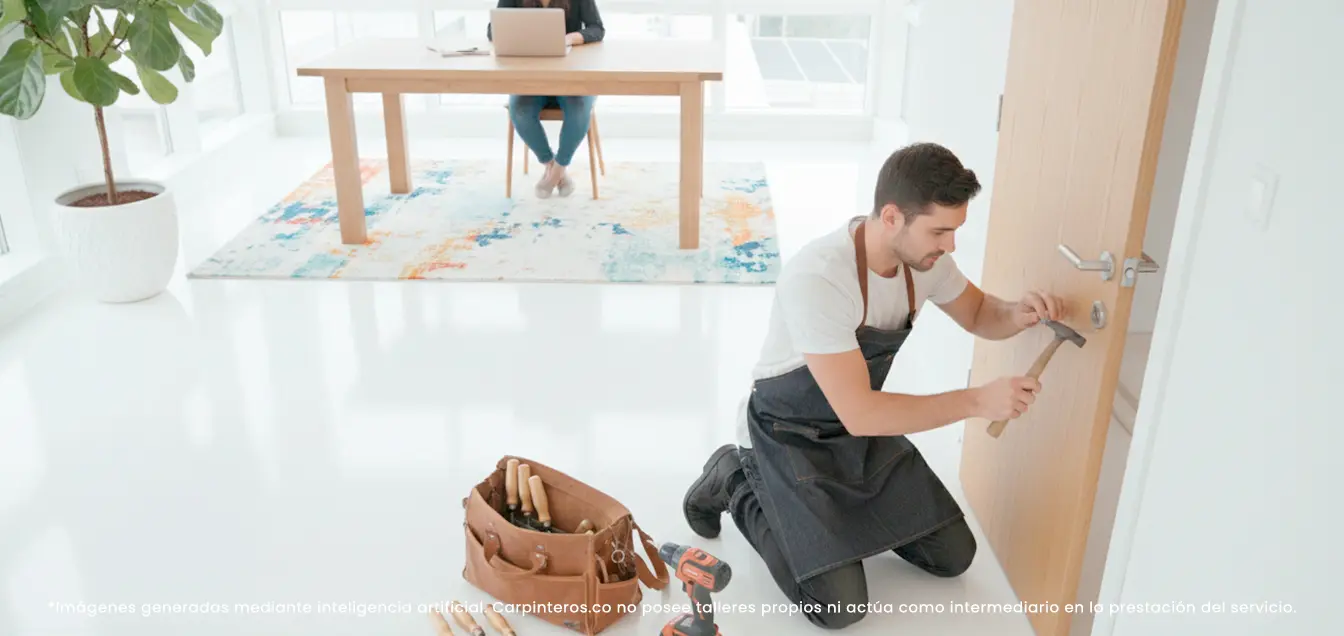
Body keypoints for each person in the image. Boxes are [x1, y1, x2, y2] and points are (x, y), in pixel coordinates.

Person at [680, 142, 1067, 629]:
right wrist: (977, 401)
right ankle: (736, 478)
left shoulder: (925, 263)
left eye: (955, 230)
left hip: (854, 429)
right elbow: (861, 412)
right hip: (789, 431)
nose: (950, 246)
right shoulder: (820, 277)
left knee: (953, 556)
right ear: (891, 217)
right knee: (838, 607)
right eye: (940, 231)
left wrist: (1019, 313)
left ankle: (829, 518)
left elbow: (979, 312)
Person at [487, 0, 605, 198]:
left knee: (578, 109)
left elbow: (597, 29)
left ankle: (556, 172)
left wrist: (570, 38)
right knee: (520, 110)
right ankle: (553, 168)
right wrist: (524, 38)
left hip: (572, 75)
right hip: (531, 76)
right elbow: (493, 30)